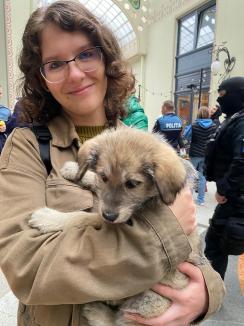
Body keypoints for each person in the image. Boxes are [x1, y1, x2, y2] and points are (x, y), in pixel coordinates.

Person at [0, 1, 224, 325]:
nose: (75, 73)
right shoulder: (27, 148)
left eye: (86, 54)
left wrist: (205, 295)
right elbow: (27, 269)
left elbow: (194, 253)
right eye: (55, 63)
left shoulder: (140, 147)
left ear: (105, 58)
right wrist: (164, 232)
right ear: (41, 76)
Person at [204, 76, 244, 280]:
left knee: (216, 245)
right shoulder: (235, 118)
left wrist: (223, 188)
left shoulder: (242, 121)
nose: (219, 101)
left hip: (235, 199)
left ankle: (212, 290)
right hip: (234, 197)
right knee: (220, 243)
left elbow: (242, 161)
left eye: (223, 96)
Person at [184, 107, 216, 206]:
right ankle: (201, 200)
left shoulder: (194, 125)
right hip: (206, 154)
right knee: (202, 177)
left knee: (191, 176)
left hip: (194, 154)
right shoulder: (213, 126)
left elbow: (186, 136)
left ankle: (188, 199)